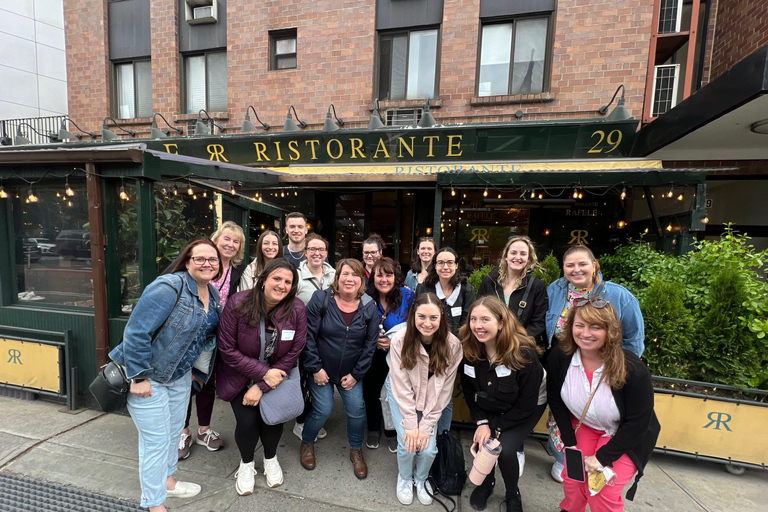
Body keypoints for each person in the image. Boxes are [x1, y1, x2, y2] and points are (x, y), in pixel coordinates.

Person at [109, 239, 223, 512]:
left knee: (172, 435)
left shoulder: (213, 294)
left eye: (213, 260)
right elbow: (136, 332)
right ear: (186, 261)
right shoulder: (169, 287)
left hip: (180, 377)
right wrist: (138, 377)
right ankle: (154, 503)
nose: (207, 264)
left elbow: (203, 340)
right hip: (150, 377)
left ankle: (168, 482)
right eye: (200, 259)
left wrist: (198, 373)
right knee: (156, 442)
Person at [547, 300, 659, 512]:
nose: (585, 333)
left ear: (611, 331)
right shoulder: (559, 358)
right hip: (585, 425)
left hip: (624, 434)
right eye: (579, 325)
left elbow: (638, 422)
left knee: (602, 490)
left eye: (595, 326)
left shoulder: (632, 369)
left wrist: (602, 458)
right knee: (573, 480)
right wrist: (569, 441)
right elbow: (556, 400)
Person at [545, 244, 644, 482]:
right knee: (563, 413)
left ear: (594, 265)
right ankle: (565, 459)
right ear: (563, 269)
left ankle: (599, 459)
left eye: (582, 264)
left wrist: (618, 369)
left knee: (598, 414)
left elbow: (634, 338)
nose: (576, 269)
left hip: (603, 368)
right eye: (570, 265)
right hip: (564, 365)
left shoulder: (618, 295)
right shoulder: (555, 290)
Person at [217, 259, 307, 495]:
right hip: (239, 374)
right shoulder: (238, 303)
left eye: (288, 281)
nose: (282, 285)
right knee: (248, 422)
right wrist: (262, 374)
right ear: (263, 279)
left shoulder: (296, 308)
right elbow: (227, 349)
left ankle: (270, 458)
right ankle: (246, 464)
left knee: (273, 419)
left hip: (277, 373)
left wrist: (263, 384)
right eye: (277, 278)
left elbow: (295, 350)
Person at [460, 297, 546, 512]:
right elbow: (470, 392)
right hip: (491, 402)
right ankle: (486, 484)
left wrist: (494, 427)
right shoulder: (470, 350)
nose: (478, 325)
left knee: (505, 450)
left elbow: (525, 405)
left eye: (485, 319)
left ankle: (512, 492)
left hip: (526, 408)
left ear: (501, 323)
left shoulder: (524, 354)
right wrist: (481, 422)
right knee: (484, 441)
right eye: (473, 319)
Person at [170, 221, 248, 460]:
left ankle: (204, 429)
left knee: (206, 382)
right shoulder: (196, 264)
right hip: (186, 334)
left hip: (214, 337)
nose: (231, 244)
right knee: (183, 383)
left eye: (236, 241)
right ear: (216, 240)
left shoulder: (238, 271)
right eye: (227, 239)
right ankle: (182, 432)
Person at [300, 259, 379, 479]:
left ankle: (355, 449)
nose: (349, 279)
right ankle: (307, 442)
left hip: (351, 373)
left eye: (355, 275)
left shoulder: (369, 307)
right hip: (321, 369)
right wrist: (315, 368)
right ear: (337, 278)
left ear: (361, 280)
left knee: (356, 410)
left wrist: (356, 375)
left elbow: (369, 345)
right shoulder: (321, 299)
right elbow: (308, 337)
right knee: (322, 409)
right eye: (345, 274)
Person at [477, 236, 548, 476]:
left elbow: (539, 323)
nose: (517, 257)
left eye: (523, 254)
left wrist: (514, 341)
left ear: (529, 259)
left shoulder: (536, 286)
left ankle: (515, 447)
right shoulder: (489, 281)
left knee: (517, 397)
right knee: (495, 394)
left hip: (519, 353)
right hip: (492, 351)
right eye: (513, 252)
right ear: (505, 255)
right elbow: (480, 310)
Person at [387, 293, 462, 506]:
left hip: (433, 399)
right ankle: (404, 477)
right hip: (402, 395)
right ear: (413, 316)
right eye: (421, 317)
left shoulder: (453, 345)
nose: (427, 323)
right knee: (407, 444)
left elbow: (444, 391)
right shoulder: (400, 340)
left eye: (433, 318)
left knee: (429, 448)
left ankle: (420, 479)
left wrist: (426, 425)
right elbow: (400, 386)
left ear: (441, 318)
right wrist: (411, 424)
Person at [363, 257, 415, 452]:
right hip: (371, 353)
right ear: (373, 277)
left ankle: (391, 430)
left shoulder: (408, 296)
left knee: (395, 393)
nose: (384, 279)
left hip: (398, 355)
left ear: (396, 277)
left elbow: (417, 325)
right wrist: (372, 340)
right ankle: (374, 428)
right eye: (379, 275)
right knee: (371, 391)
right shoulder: (365, 297)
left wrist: (397, 341)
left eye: (389, 275)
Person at [293, 233, 335, 441]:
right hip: (303, 336)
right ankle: (301, 422)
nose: (317, 253)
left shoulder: (334, 275)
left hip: (328, 338)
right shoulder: (296, 276)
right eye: (312, 249)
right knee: (303, 379)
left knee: (319, 379)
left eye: (321, 250)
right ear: (305, 252)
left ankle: (315, 416)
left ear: (326, 253)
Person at [416, 246, 475, 337]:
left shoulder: (466, 289)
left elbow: (467, 321)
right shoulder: (424, 288)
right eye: (441, 263)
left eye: (450, 263)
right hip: (429, 340)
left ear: (456, 265)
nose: (445, 267)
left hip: (458, 343)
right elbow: (418, 316)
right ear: (435, 266)